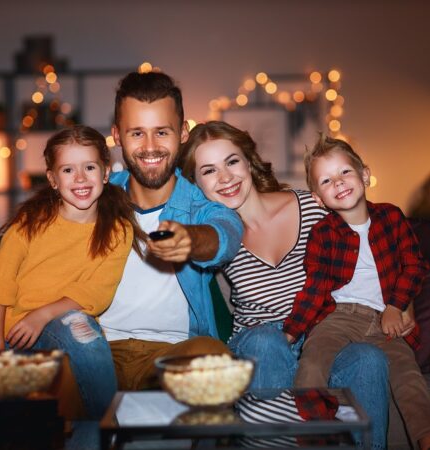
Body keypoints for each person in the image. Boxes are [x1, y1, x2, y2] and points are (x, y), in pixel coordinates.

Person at [179, 120, 417, 450]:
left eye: (232, 162)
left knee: (368, 358)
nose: (225, 177)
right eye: (208, 170)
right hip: (258, 347)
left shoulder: (311, 206)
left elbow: (380, 247)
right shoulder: (216, 236)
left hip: (321, 338)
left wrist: (403, 304)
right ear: (196, 183)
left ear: (248, 162)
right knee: (267, 340)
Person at [283, 134, 430, 450]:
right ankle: (316, 438)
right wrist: (292, 332)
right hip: (337, 318)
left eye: (345, 172)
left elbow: (415, 266)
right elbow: (316, 287)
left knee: (409, 378)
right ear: (318, 198)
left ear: (364, 174)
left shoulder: (391, 217)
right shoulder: (322, 234)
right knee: (311, 364)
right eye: (326, 180)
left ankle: (427, 440)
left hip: (386, 320)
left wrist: (396, 305)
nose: (338, 183)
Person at [98, 72, 243, 391]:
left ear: (183, 133)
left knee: (213, 358)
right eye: (137, 133)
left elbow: (226, 234)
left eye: (161, 132)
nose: (150, 147)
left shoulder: (199, 205)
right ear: (117, 136)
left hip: (171, 356)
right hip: (95, 354)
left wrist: (190, 240)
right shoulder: (96, 199)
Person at [0, 125, 136, 419]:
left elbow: (96, 292)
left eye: (89, 167)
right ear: (53, 179)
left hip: (61, 323)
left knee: (81, 328)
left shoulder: (118, 229)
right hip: (14, 333)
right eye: (67, 170)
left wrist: (41, 315)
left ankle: (108, 428)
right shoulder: (31, 222)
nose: (80, 178)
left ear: (105, 172)